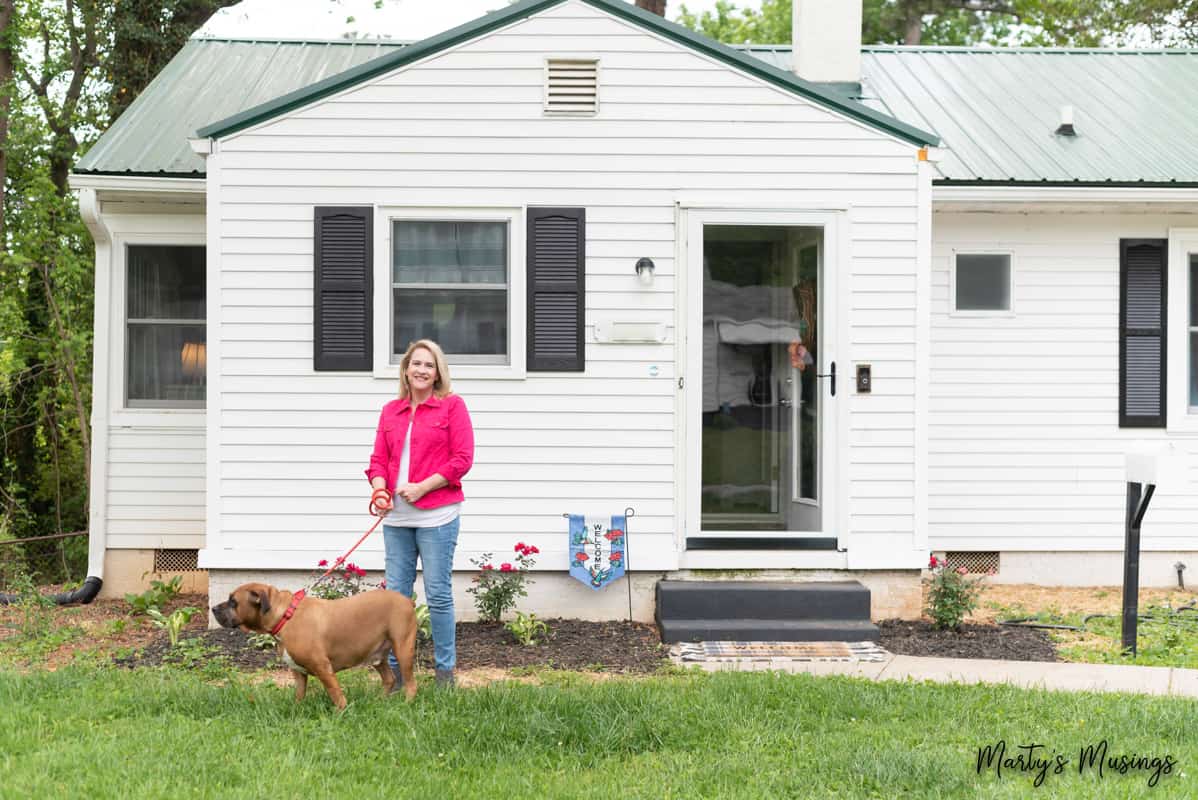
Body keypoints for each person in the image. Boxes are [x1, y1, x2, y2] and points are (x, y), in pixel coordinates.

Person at [366, 339, 474, 688]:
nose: (422, 371)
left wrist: (422, 487)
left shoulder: (452, 407)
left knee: (438, 593)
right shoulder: (390, 411)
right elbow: (378, 461)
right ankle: (398, 675)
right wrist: (380, 490)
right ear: (405, 370)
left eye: (429, 365)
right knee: (396, 599)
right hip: (396, 518)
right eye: (416, 364)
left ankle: (445, 674)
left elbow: (462, 459)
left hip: (436, 516)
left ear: (438, 372)